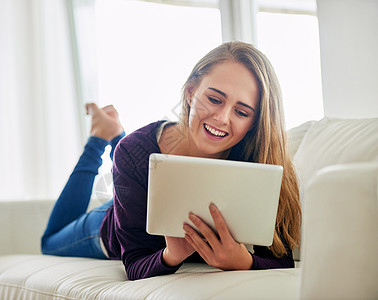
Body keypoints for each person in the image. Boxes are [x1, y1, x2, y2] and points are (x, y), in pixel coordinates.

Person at [41, 41, 301, 281]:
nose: (222, 118)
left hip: (136, 177)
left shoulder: (263, 161)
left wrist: (243, 262)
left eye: (242, 112)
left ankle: (115, 135)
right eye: (214, 99)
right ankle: (100, 137)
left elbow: (282, 260)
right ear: (190, 92)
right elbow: (135, 262)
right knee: (50, 242)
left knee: (131, 156)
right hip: (110, 224)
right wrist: (172, 254)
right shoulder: (133, 151)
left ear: (254, 124)